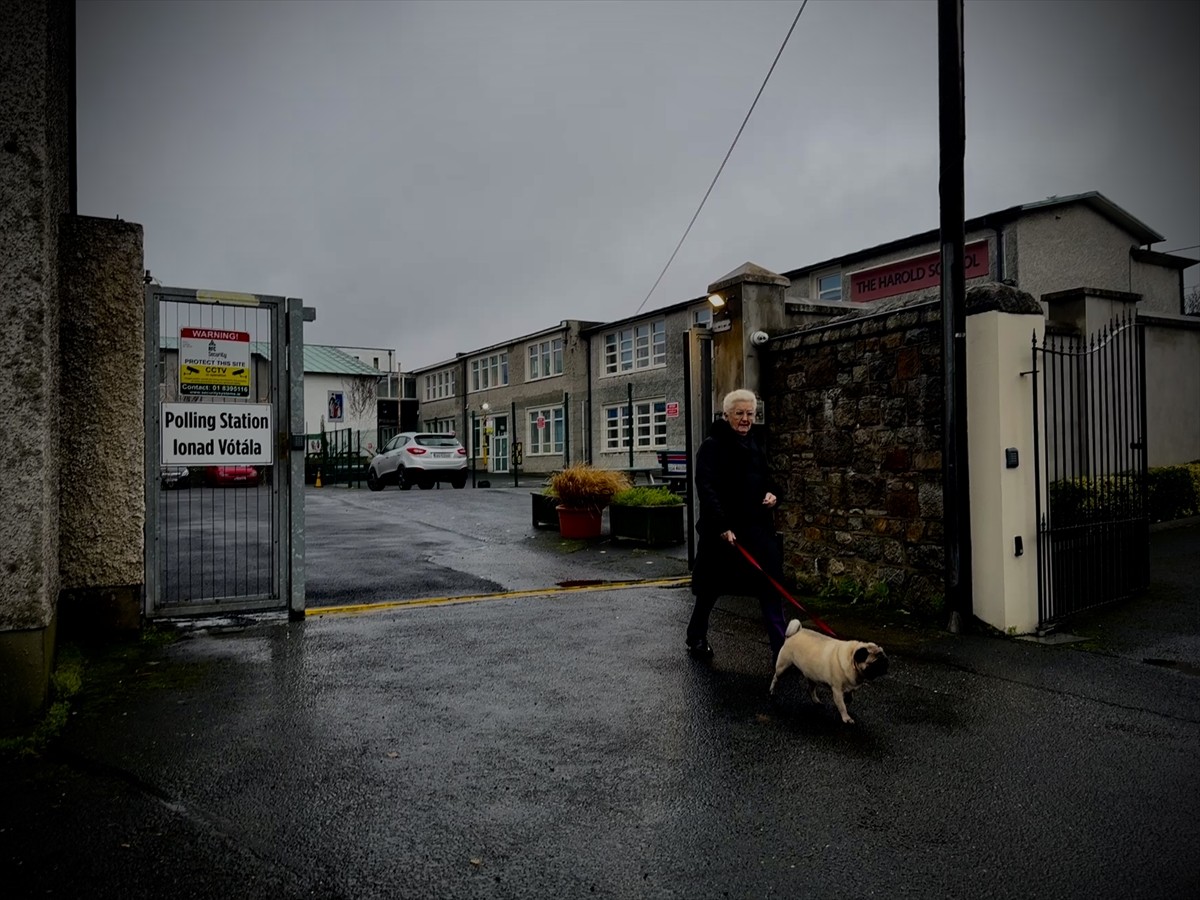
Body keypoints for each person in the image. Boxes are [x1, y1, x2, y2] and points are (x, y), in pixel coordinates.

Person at [687, 388, 787, 662]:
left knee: (771, 588)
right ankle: (696, 636)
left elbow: (769, 480)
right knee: (710, 589)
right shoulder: (712, 446)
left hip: (757, 531)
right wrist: (722, 526)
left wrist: (774, 495)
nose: (745, 419)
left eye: (750, 414)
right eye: (739, 413)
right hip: (724, 534)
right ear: (726, 415)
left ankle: (782, 651)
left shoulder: (756, 442)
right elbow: (706, 489)